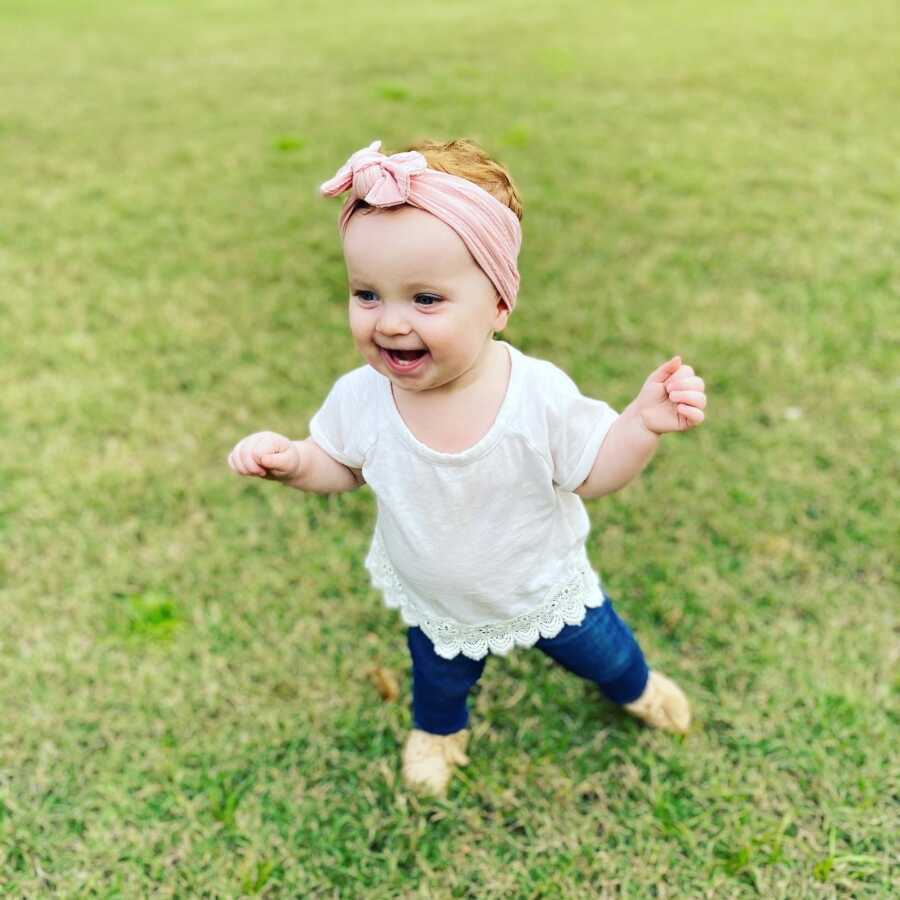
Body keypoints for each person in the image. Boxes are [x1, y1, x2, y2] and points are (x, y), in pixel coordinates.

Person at [227, 138, 708, 798]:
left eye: (426, 300)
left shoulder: (536, 397)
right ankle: (439, 732)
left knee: (606, 651)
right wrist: (294, 461)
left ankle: (637, 688)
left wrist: (639, 425)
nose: (391, 323)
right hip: (439, 602)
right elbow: (339, 465)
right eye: (367, 294)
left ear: (499, 305)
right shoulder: (363, 398)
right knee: (439, 680)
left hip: (542, 588)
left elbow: (593, 472)